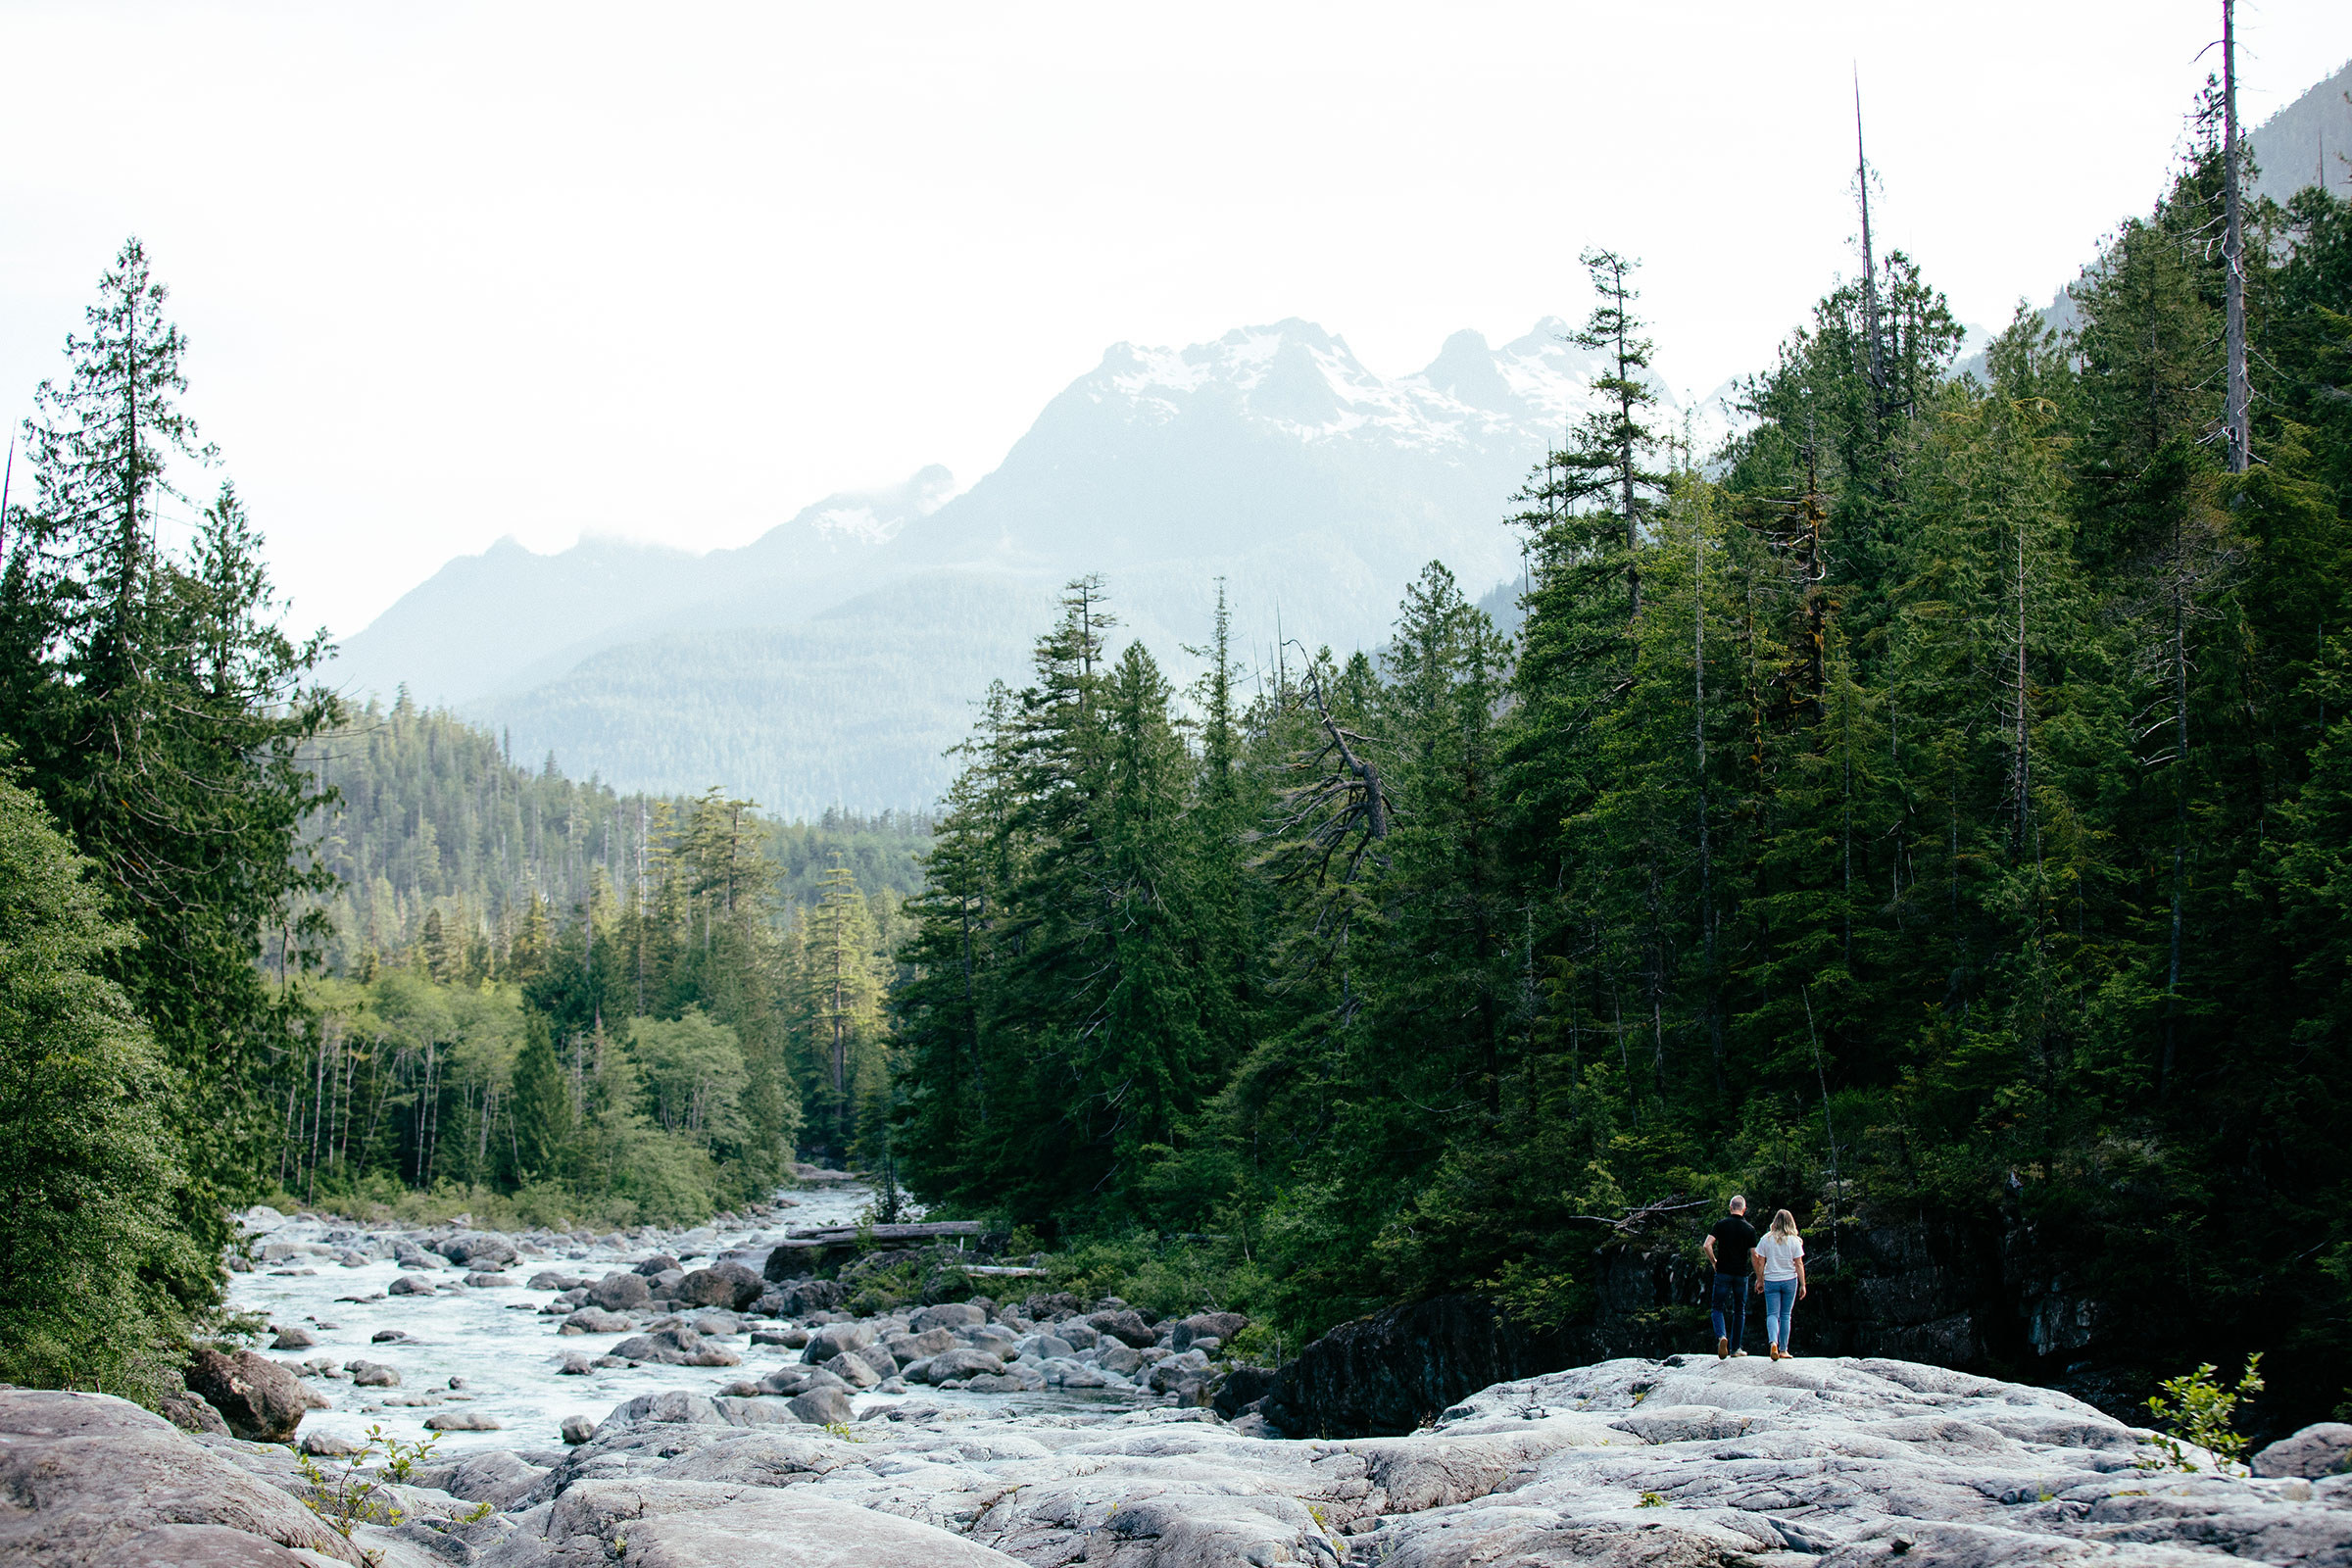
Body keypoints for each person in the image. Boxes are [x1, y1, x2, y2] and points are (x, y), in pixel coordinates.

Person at [1699, 1195, 1759, 1359]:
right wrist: (1759, 1277)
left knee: (1717, 1307)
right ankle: (1735, 1348)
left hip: (1723, 1271)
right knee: (1739, 1310)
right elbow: (1754, 1255)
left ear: (1730, 1207)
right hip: (1741, 1274)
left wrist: (1714, 1261)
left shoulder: (1721, 1225)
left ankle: (1721, 1336)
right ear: (1744, 1209)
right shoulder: (1750, 1229)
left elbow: (1707, 1245)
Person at [1755, 1208, 1806, 1360]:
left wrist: (1760, 1280)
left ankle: (1773, 1342)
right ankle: (1783, 1349)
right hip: (1789, 1280)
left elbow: (1760, 1261)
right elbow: (1799, 1264)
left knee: (1772, 1314)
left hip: (1771, 1279)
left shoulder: (1766, 1239)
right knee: (1785, 1315)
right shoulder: (1795, 1240)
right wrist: (1803, 1284)